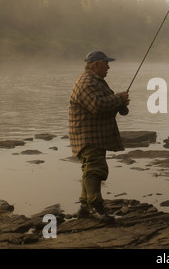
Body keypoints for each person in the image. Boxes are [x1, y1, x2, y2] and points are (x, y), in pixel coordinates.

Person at [68, 50, 130, 222]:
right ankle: (96, 207)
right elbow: (96, 105)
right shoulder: (86, 82)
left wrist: (119, 101)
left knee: (89, 168)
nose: (108, 66)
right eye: (106, 63)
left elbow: (104, 101)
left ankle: (84, 207)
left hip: (93, 135)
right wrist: (118, 98)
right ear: (95, 65)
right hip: (88, 135)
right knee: (95, 168)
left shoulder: (96, 81)